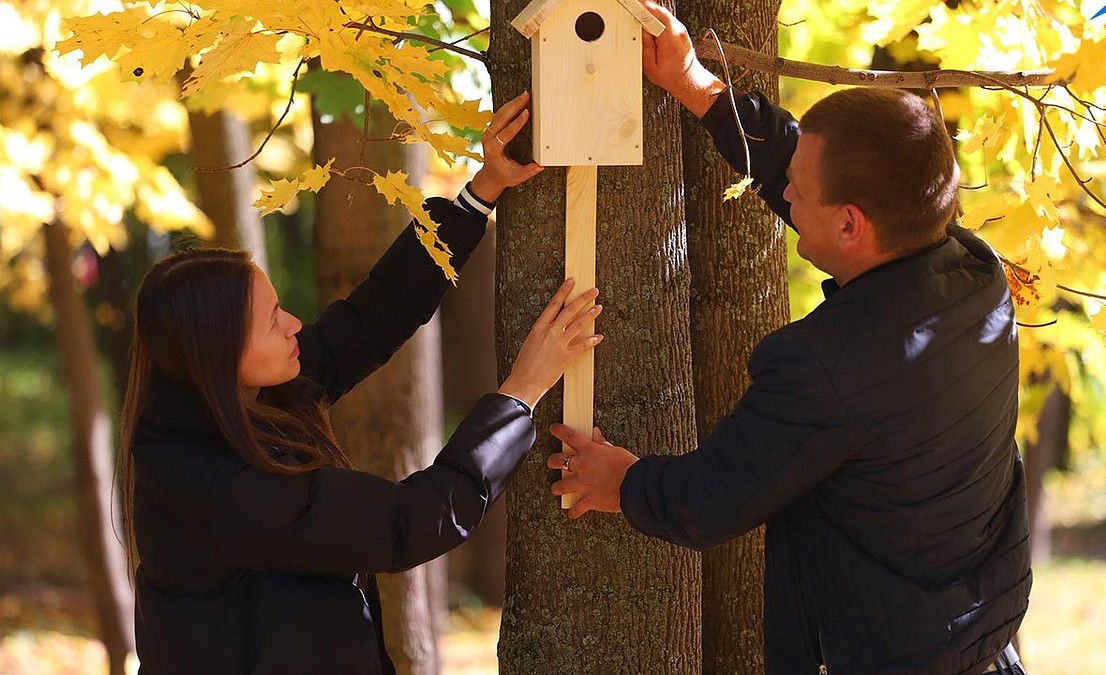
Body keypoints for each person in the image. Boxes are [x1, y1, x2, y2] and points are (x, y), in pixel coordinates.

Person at [546, 4, 1032, 674]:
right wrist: (695, 84)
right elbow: (800, 163)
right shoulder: (975, 274)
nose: (784, 198)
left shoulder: (824, 367)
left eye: (798, 196)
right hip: (981, 643)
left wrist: (621, 481)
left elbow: (711, 497)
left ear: (852, 225)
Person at [121, 92, 603, 675]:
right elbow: (410, 522)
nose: (294, 324)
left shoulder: (231, 404)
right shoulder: (222, 487)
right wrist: (520, 393)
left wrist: (480, 193)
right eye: (274, 322)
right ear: (219, 356)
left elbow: (368, 321)